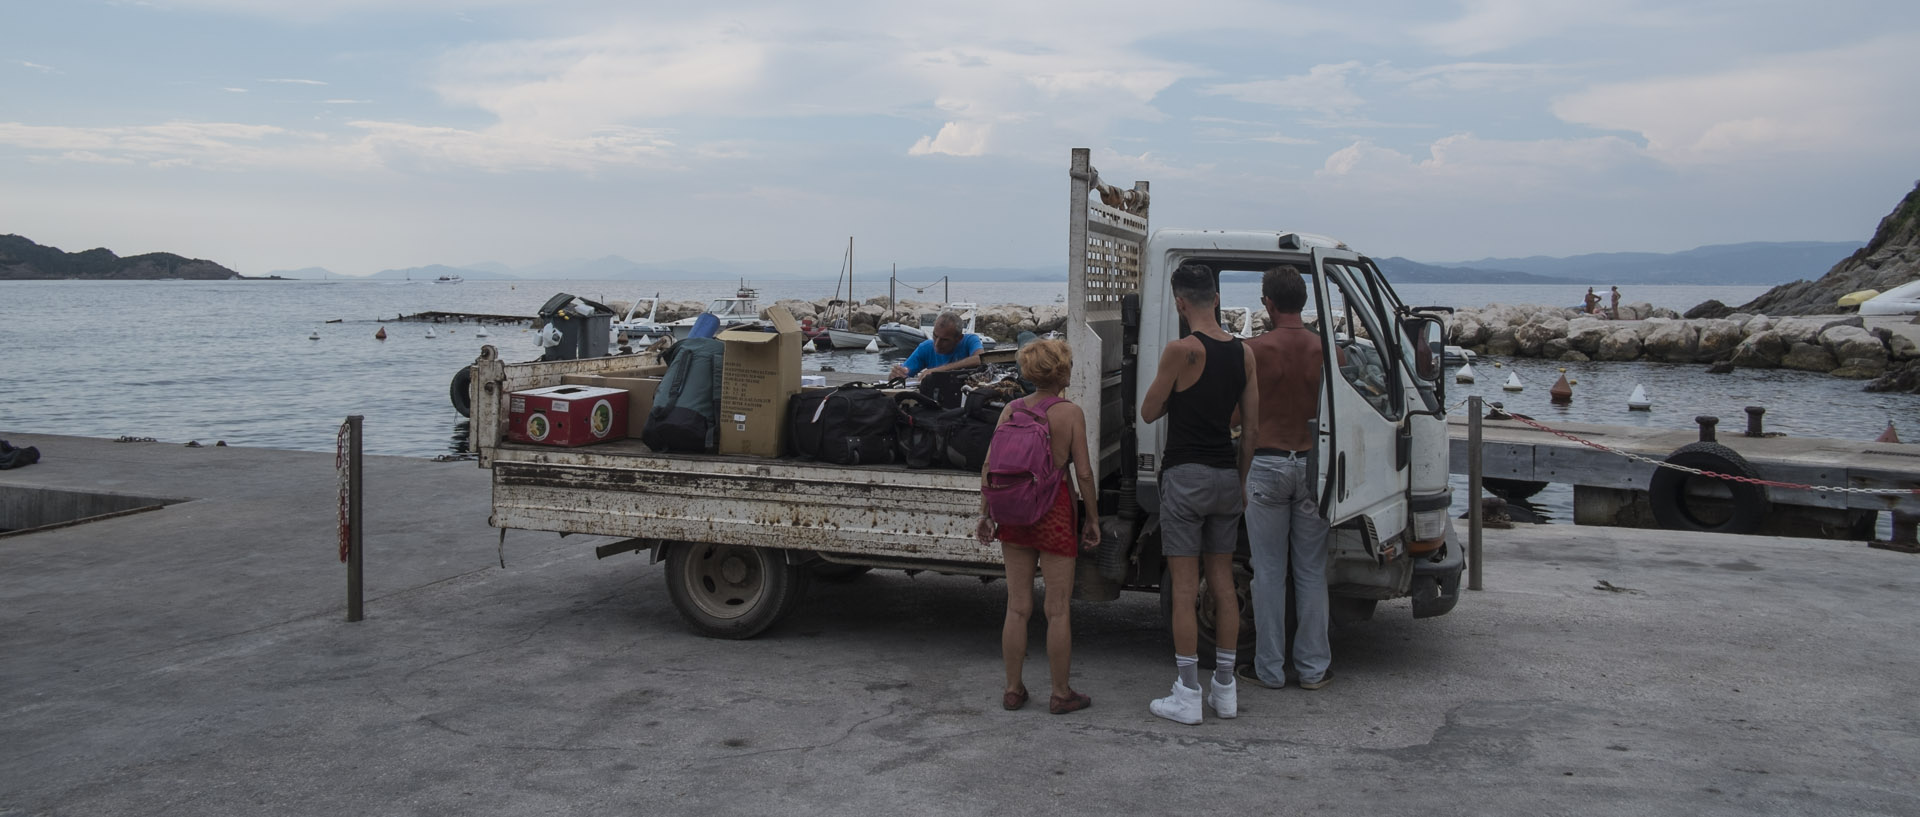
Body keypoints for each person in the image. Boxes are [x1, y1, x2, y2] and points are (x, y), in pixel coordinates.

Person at [1139, 263, 1259, 725]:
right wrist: (1242, 480)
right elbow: (1251, 430)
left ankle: (1188, 694)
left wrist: (1173, 393)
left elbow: (1149, 412)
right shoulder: (1245, 353)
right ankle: (1224, 690)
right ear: (1216, 297)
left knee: (1186, 590)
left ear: (1180, 302)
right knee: (1224, 585)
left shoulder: (1180, 350)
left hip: (1185, 477)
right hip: (1226, 477)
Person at [975, 339, 1101, 715]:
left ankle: (1013, 690)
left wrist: (985, 513)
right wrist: (1092, 517)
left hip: (1012, 513)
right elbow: (1084, 473)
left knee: (1017, 607)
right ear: (1063, 372)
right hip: (1054, 513)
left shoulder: (1010, 410)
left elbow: (988, 466)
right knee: (1057, 609)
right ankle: (1061, 694)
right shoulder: (1069, 413)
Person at [1235, 265, 1334, 693]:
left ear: (1267, 304)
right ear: (1305, 302)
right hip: (1313, 464)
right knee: (1311, 572)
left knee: (1268, 573)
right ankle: (1313, 669)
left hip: (1268, 463)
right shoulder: (1328, 351)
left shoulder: (1253, 350)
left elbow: (1236, 417)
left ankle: (1269, 669)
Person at [890, 310, 984, 380]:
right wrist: (895, 376)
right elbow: (903, 373)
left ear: (958, 339)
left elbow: (981, 358)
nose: (937, 343)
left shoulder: (970, 340)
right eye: (935, 336)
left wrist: (939, 371)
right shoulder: (925, 348)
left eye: (944, 340)